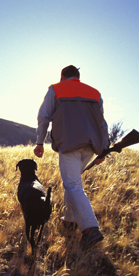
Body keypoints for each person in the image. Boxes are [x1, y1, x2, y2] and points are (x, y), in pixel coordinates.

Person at [34, 65, 110, 250]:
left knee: (72, 184)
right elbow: (102, 123)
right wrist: (103, 150)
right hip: (91, 146)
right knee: (72, 182)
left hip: (69, 144)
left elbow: (44, 116)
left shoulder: (56, 89)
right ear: (78, 76)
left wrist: (39, 142)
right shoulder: (95, 93)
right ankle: (69, 222)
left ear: (62, 76)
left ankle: (90, 229)